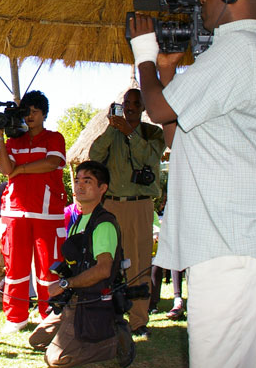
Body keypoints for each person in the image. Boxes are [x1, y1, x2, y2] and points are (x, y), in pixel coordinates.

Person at [128, 0, 256, 367]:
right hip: (238, 247)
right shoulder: (250, 54)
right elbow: (177, 136)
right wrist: (166, 74)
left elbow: (158, 110)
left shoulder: (238, 50)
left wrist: (144, 54)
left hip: (234, 249)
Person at [29, 161, 135, 368]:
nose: (80, 186)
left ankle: (112, 342)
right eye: (77, 181)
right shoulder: (78, 220)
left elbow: (103, 269)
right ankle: (77, 333)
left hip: (92, 299)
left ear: (102, 188)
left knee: (55, 360)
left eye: (88, 181)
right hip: (73, 299)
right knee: (36, 340)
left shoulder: (103, 223)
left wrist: (64, 285)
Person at [89, 88, 166, 337]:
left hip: (139, 204)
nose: (131, 107)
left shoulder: (152, 132)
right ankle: (108, 317)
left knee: (139, 264)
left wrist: (129, 132)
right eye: (127, 103)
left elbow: (149, 156)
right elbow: (94, 155)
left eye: (136, 103)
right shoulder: (113, 133)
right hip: (111, 205)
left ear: (143, 107)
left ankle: (138, 321)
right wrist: (114, 128)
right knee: (106, 263)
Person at [0, 90, 68, 333]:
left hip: (47, 213)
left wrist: (21, 170)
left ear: (44, 113)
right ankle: (16, 318)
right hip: (15, 212)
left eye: (35, 111)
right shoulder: (14, 141)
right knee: (15, 267)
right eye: (27, 112)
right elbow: (5, 168)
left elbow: (51, 163)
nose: (31, 116)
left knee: (49, 268)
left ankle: (51, 314)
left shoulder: (54, 138)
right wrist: (0, 138)